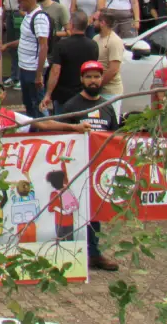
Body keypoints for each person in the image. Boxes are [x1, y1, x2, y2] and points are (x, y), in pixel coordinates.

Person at [57, 61, 121, 271]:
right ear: (81, 80)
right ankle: (67, 252)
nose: (93, 81)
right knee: (71, 211)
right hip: (75, 168)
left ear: (102, 79)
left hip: (98, 169)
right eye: (89, 77)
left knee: (94, 212)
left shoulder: (107, 106)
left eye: (96, 77)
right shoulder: (71, 106)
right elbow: (60, 138)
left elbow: (115, 138)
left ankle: (93, 254)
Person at [1, 0, 50, 118]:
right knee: (28, 102)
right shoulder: (28, 16)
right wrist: (8, 45)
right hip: (24, 67)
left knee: (37, 103)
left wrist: (39, 74)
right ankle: (33, 128)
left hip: (33, 69)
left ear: (28, 1)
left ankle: (44, 129)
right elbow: (24, 39)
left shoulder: (39, 18)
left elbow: (43, 46)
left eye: (20, 1)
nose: (18, 5)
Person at [41, 10, 99, 112]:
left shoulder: (61, 45)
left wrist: (48, 94)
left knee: (62, 124)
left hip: (63, 95)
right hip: (84, 94)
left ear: (71, 25)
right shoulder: (93, 45)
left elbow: (55, 71)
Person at [2, 0, 33, 84]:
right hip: (9, 14)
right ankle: (13, 75)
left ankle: (20, 76)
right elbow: (5, 2)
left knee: (19, 44)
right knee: (10, 45)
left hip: (19, 14)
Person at [93, 12, 125, 119]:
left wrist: (97, 85)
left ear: (102, 23)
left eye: (95, 20)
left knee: (111, 123)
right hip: (97, 92)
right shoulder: (96, 38)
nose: (92, 23)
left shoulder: (115, 41)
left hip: (110, 92)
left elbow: (113, 70)